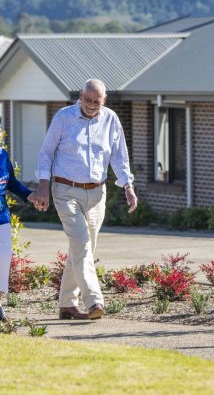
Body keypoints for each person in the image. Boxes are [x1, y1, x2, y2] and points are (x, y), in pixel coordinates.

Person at [36, 78, 138, 320]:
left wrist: (128, 186)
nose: (92, 105)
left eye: (97, 102)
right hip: (65, 190)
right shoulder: (64, 117)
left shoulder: (110, 118)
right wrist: (42, 186)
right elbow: (46, 152)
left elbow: (119, 156)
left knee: (83, 249)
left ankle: (67, 305)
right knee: (81, 245)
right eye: (88, 100)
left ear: (104, 101)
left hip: (97, 193)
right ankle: (95, 302)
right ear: (80, 95)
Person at [0, 147, 39, 321]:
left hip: (2, 217)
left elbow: (11, 182)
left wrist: (29, 195)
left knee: (3, 257)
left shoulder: (2, 154)